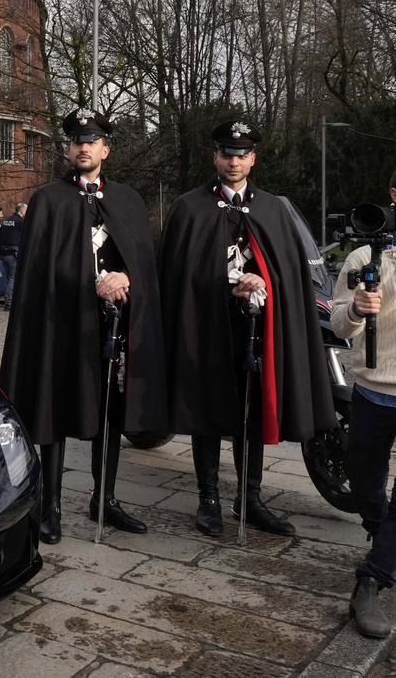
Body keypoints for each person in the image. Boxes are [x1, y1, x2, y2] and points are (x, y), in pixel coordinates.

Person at [0, 109, 167, 543]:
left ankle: (104, 499)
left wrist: (125, 277)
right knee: (55, 408)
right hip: (61, 326)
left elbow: (144, 264)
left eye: (92, 141)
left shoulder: (128, 201)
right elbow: (38, 272)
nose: (84, 147)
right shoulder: (48, 201)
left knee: (110, 411)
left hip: (111, 329)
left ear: (106, 150)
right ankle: (51, 505)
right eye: (77, 141)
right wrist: (87, 283)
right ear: (69, 149)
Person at [161, 120, 334, 539]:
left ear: (253, 159)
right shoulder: (189, 207)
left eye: (241, 155)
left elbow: (288, 273)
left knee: (251, 411)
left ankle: (250, 497)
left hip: (256, 330)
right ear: (215, 157)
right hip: (205, 328)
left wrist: (264, 281)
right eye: (227, 154)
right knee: (205, 411)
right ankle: (208, 498)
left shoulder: (273, 209)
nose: (234, 162)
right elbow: (176, 275)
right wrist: (226, 283)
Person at [333, 173, 396, 637]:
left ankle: (371, 580)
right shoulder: (365, 256)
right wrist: (357, 308)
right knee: (364, 484)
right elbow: (339, 324)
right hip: (374, 390)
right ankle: (384, 537)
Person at [0, 202, 26, 310]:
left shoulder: (6, 221)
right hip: (13, 253)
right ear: (22, 211)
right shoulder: (20, 221)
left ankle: (7, 300)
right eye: (26, 210)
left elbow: (0, 235)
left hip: (3, 253)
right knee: (13, 278)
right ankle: (9, 302)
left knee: (8, 278)